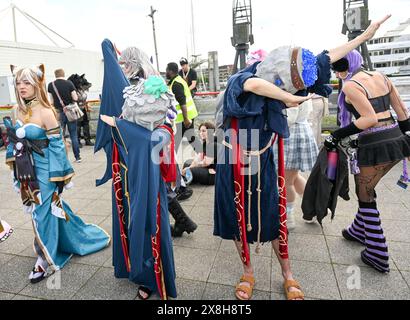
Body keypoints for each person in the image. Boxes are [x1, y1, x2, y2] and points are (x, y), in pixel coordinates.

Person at [214, 15, 392, 300]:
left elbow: (327, 56)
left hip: (263, 157)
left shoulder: (286, 82)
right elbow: (254, 87)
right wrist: (289, 98)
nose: (295, 91)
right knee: (237, 216)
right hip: (233, 155)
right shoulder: (243, 78)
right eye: (291, 87)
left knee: (274, 213)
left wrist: (362, 37)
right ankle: (247, 271)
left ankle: (288, 273)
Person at [5, 64, 110, 283]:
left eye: (27, 82)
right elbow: (14, 141)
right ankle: (52, 241)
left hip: (45, 171)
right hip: (26, 171)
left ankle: (45, 259)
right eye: (18, 82)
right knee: (41, 210)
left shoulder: (46, 112)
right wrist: (17, 169)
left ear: (37, 85)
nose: (21, 86)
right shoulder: (17, 110)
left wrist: (60, 178)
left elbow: (57, 147)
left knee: (42, 211)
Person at [97, 41, 179, 300]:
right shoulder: (121, 89)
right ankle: (133, 268)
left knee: (149, 220)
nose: (124, 68)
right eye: (120, 64)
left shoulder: (158, 89)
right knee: (128, 217)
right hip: (124, 166)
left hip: (146, 167)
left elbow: (165, 131)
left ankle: (152, 276)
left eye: (126, 63)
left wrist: (123, 126)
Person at [325, 49, 410, 273]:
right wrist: (404, 142)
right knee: (368, 187)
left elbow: (369, 119)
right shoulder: (381, 77)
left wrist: (336, 135)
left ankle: (377, 253)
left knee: (365, 194)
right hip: (395, 139)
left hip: (373, 145)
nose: (338, 72)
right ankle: (357, 230)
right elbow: (401, 111)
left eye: (339, 67)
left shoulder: (352, 86)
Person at [280, 100, 319, 230]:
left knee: (287, 180)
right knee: (292, 176)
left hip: (290, 133)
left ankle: (288, 216)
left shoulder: (293, 92)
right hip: (297, 132)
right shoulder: (303, 89)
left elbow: (288, 118)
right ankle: (312, 208)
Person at [167, 62, 199, 201]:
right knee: (191, 140)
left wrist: (186, 118)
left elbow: (182, 102)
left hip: (183, 120)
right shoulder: (178, 80)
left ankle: (180, 183)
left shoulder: (176, 84)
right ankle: (208, 157)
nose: (166, 73)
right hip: (185, 119)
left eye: (167, 71)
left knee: (175, 147)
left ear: (171, 71)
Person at [48, 68, 82, 163]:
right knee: (73, 135)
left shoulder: (51, 85)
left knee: (60, 135)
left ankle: (62, 158)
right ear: (63, 74)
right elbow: (75, 97)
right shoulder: (69, 83)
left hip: (58, 113)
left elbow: (51, 101)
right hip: (70, 112)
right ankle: (77, 157)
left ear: (55, 75)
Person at [182, 122, 217, 186]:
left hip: (214, 174)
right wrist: (190, 166)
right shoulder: (205, 142)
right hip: (207, 168)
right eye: (200, 131)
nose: (201, 133)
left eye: (203, 131)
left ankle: (186, 181)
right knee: (187, 163)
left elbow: (206, 163)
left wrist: (189, 168)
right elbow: (198, 158)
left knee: (189, 170)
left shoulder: (213, 144)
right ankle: (188, 179)